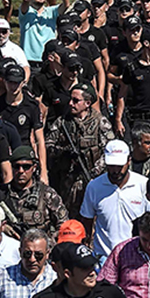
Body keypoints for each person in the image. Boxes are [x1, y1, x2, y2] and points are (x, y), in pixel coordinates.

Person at [44, 83, 113, 219]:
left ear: (87, 103)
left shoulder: (100, 122)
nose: (70, 103)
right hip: (68, 181)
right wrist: (63, 152)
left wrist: (94, 172)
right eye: (70, 99)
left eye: (76, 101)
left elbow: (109, 150)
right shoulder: (63, 122)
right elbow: (48, 144)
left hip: (93, 180)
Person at [79, 140, 150, 259]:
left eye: (120, 166)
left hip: (137, 255)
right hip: (104, 257)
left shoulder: (143, 184)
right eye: (112, 166)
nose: (116, 171)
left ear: (129, 161)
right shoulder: (94, 186)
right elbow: (87, 220)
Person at [2, 146, 66, 241]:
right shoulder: (0, 194)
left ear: (34, 168)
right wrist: (2, 228)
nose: (21, 171)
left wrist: (49, 242)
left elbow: (63, 224)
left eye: (26, 167)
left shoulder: (46, 194)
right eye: (16, 166)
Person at [31, 243, 127, 298]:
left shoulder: (110, 293)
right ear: (68, 273)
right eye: (84, 268)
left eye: (92, 266)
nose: (92, 273)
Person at [0, 228, 56, 298]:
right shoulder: (3, 278)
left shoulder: (56, 278)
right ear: (20, 252)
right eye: (27, 254)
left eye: (38, 255)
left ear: (47, 254)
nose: (32, 259)